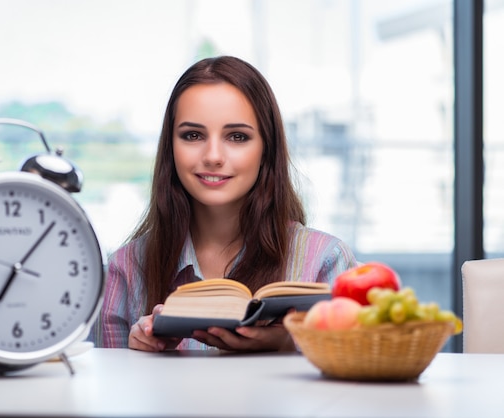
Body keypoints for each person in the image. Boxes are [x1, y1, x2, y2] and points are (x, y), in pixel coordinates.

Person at [88, 56, 357, 352]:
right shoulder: (126, 268)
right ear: (170, 148)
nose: (213, 155)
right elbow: (112, 396)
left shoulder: (326, 261)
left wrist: (290, 344)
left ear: (266, 149)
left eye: (237, 136)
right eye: (192, 135)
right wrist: (135, 355)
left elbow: (353, 386)